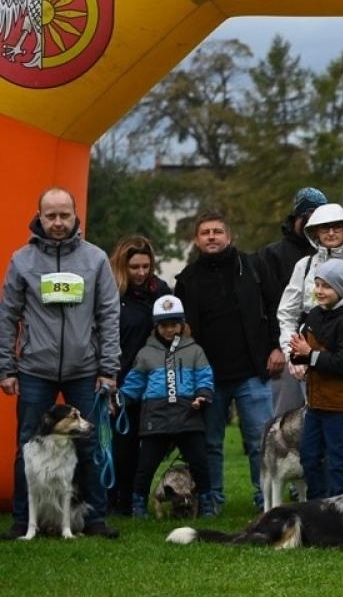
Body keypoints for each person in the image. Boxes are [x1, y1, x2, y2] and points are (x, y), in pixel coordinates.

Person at [1, 187, 122, 538]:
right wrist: (6, 367)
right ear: (39, 217)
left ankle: (94, 518)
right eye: (50, 215)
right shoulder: (21, 260)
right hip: (34, 370)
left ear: (75, 215)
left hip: (85, 370)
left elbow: (109, 315)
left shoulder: (96, 259)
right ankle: (23, 520)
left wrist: (108, 369)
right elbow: (7, 316)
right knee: (28, 446)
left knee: (91, 445)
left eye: (64, 215)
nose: (57, 222)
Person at [174, 211, 277, 514]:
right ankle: (211, 500)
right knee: (210, 444)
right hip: (208, 377)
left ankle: (266, 500)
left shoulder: (253, 267)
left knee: (261, 442)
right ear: (196, 240)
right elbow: (180, 331)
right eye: (205, 232)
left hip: (252, 372)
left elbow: (275, 309)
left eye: (217, 231)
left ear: (229, 237)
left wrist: (276, 348)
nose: (212, 237)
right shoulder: (186, 280)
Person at [275, 201, 343, 491]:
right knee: (314, 439)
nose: (331, 233)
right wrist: (293, 356)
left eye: (337, 227)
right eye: (324, 228)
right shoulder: (305, 266)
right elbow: (287, 313)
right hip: (308, 366)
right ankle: (318, 500)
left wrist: (332, 354)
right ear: (314, 233)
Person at [121, 295, 214, 518]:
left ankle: (206, 502)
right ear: (156, 327)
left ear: (182, 325)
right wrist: (118, 399)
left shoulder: (195, 350)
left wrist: (203, 395)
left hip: (188, 414)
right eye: (164, 325)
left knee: (200, 463)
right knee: (145, 466)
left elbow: (205, 377)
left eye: (174, 324)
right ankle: (138, 504)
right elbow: (134, 383)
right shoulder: (145, 353)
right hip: (156, 417)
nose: (169, 330)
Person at [286, 259, 343, 500]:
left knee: (337, 460)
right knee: (309, 457)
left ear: (342, 288)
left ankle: (337, 507)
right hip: (315, 402)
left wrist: (309, 355)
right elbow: (305, 350)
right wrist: (297, 354)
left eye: (327, 286)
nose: (320, 291)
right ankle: (316, 505)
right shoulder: (315, 315)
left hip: (341, 405)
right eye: (317, 284)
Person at [108, 234, 170, 516]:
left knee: (147, 447)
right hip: (120, 379)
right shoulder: (110, 294)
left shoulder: (161, 292)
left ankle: (136, 499)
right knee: (120, 445)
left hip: (153, 379)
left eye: (146, 266)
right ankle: (114, 500)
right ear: (123, 266)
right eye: (134, 267)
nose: (141, 273)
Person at [255, 187, 325, 412]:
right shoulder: (272, 255)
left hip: (323, 350)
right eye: (310, 216)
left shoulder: (329, 254)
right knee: (286, 419)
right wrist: (276, 347)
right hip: (287, 350)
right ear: (298, 217)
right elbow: (266, 306)